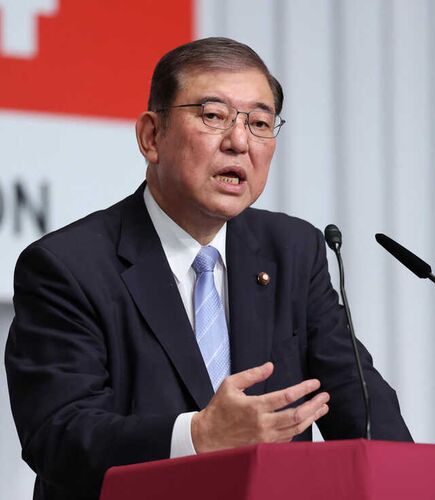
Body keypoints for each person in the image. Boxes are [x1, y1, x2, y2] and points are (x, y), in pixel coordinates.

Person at [5, 37, 412, 500]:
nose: (239, 142)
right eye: (213, 116)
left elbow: (360, 401)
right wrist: (198, 436)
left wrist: (405, 478)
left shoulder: (292, 251)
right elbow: (59, 435)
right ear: (152, 137)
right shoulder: (68, 265)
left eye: (259, 123)